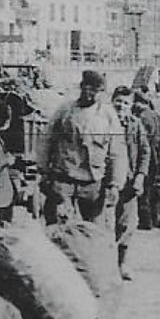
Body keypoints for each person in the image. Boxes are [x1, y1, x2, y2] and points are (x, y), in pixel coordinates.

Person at [38, 69, 127, 226]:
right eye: (87, 88)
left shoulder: (108, 115)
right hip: (63, 179)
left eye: (95, 90)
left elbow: (117, 152)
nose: (90, 94)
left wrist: (115, 184)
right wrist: (43, 171)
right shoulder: (65, 111)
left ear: (101, 92)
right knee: (58, 226)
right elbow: (47, 140)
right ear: (81, 87)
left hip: (93, 182)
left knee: (94, 229)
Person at [110, 86, 151, 280]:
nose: (121, 106)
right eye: (118, 101)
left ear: (131, 106)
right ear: (112, 102)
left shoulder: (135, 125)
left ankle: (121, 263)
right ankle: (105, 265)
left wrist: (140, 175)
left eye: (125, 103)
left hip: (128, 184)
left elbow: (145, 152)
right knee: (106, 224)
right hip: (107, 183)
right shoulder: (105, 123)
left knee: (127, 225)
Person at [132, 88, 160, 231]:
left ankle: (146, 221)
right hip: (157, 155)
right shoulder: (154, 114)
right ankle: (156, 218)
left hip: (149, 157)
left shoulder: (143, 118)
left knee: (144, 190)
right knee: (153, 190)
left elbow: (143, 141)